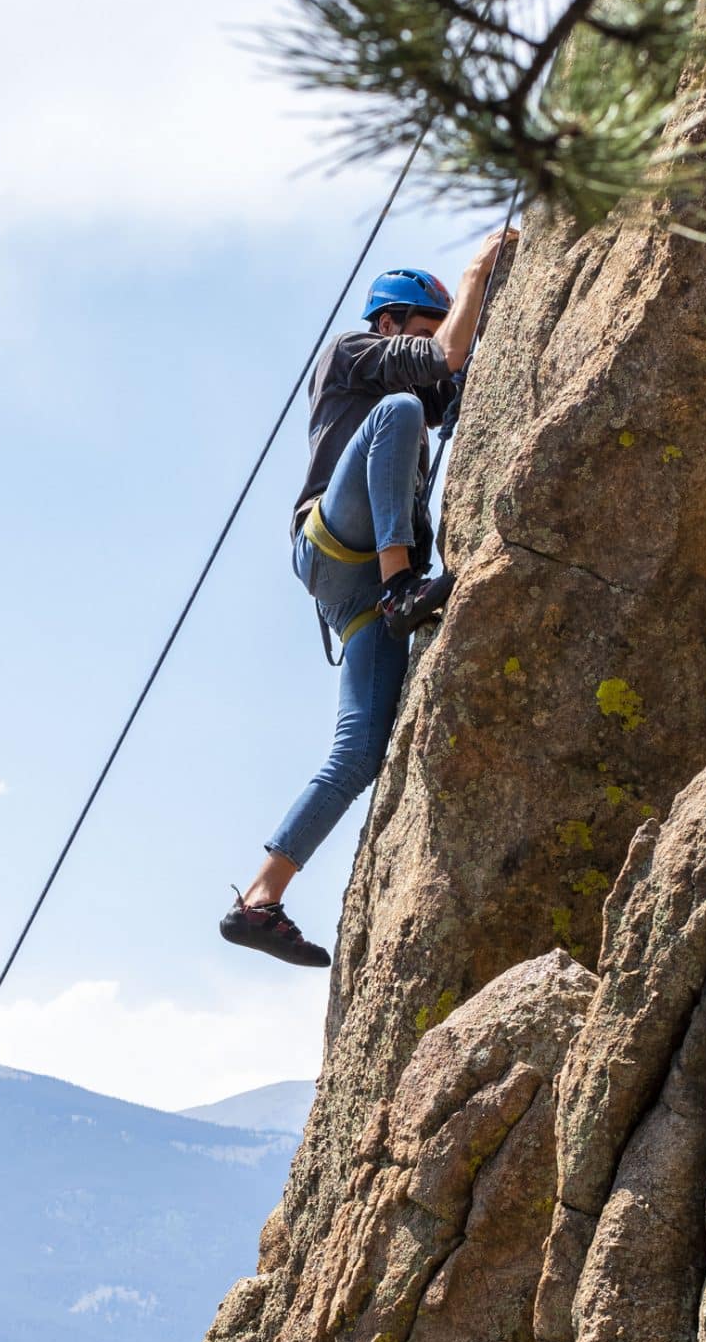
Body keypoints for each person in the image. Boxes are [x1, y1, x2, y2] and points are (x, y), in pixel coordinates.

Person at [220, 230, 516, 968]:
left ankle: (261, 897)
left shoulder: (411, 379)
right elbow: (443, 361)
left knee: (358, 752)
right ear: (390, 324)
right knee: (401, 414)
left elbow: (461, 375)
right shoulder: (352, 353)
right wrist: (480, 268)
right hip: (342, 543)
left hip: (357, 593)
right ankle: (400, 589)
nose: (430, 340)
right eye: (421, 324)